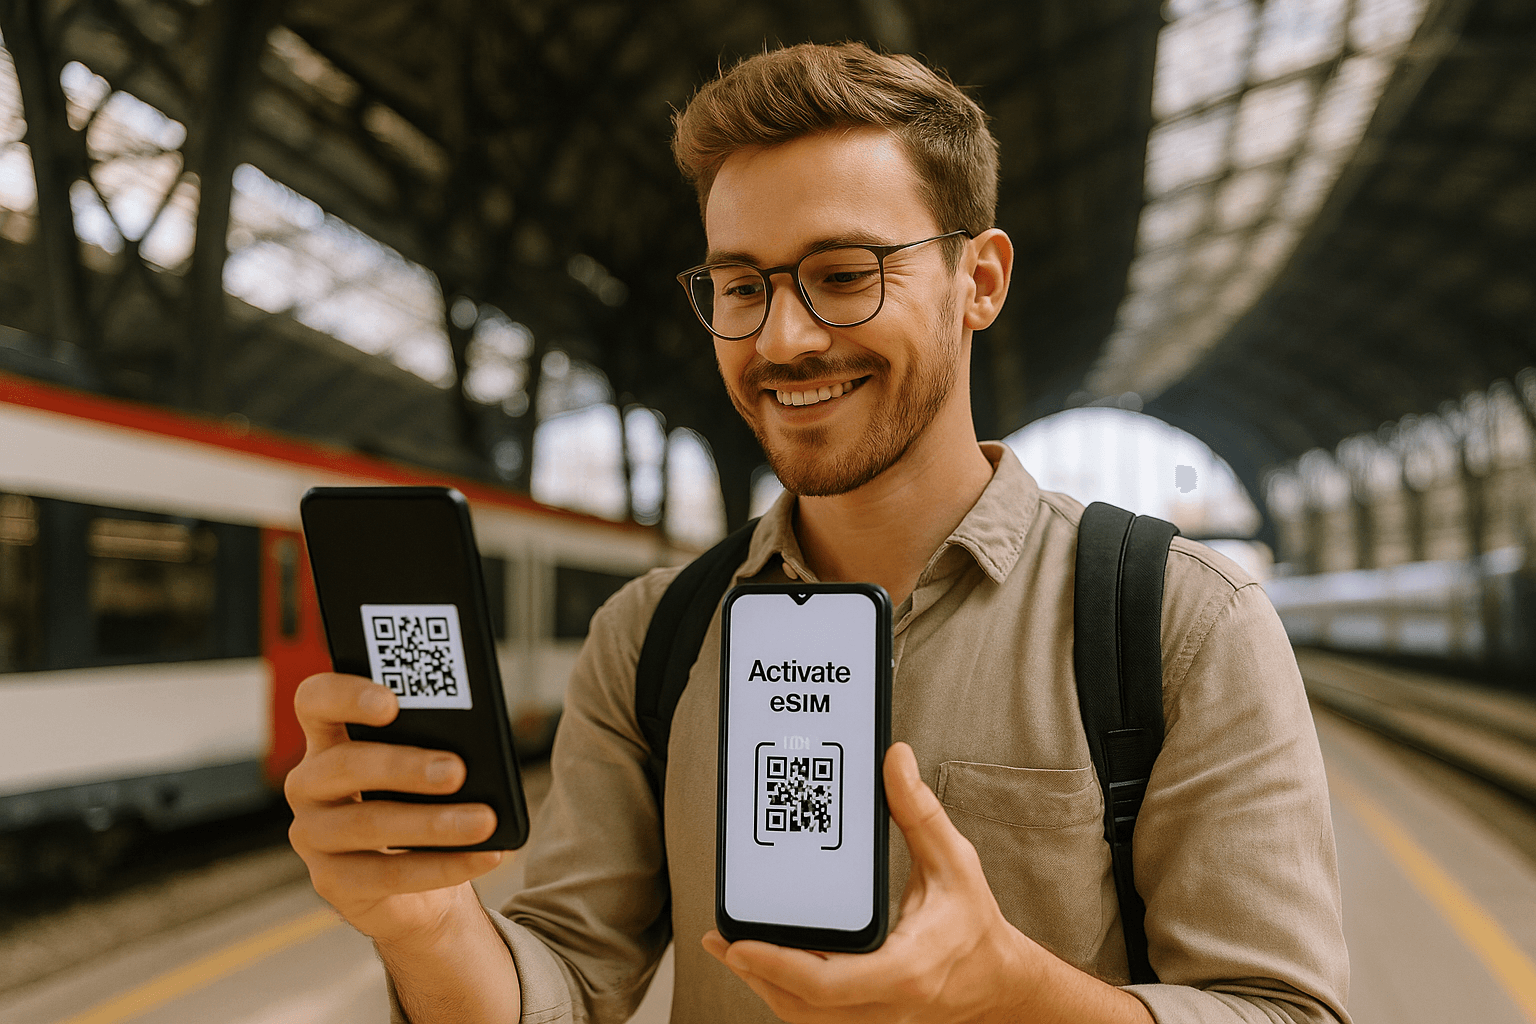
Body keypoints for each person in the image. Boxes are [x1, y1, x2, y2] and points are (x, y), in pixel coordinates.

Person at [285, 42, 1350, 1024]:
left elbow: (1286, 1009)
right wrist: (426, 923)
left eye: (843, 276)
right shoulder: (650, 639)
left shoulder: (1179, 623)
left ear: (978, 280)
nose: (783, 338)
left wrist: (1016, 991)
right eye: (741, 286)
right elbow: (562, 987)